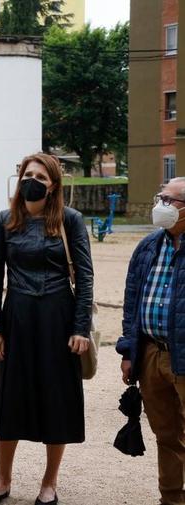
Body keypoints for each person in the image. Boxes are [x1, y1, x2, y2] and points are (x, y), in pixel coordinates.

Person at [0, 153, 93, 505]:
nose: (33, 180)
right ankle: (3, 479)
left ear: (53, 185)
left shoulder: (70, 220)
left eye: (41, 177)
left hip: (57, 318)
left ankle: (49, 482)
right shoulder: (4, 221)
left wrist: (80, 327)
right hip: (16, 316)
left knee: (56, 399)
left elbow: (85, 276)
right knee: (10, 399)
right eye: (28, 174)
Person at [117, 177, 185, 505]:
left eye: (169, 200)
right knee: (166, 434)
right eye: (160, 197)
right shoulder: (148, 246)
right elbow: (131, 303)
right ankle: (171, 498)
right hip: (151, 356)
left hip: (183, 356)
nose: (161, 206)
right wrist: (128, 352)